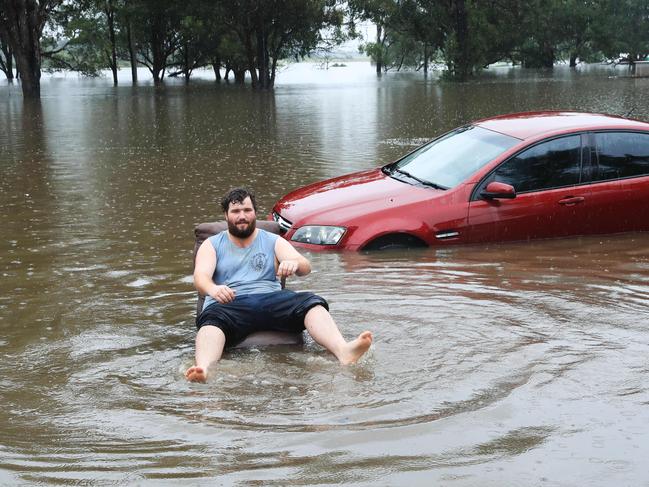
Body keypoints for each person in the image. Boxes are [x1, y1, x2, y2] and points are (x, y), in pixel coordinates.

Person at [185, 188, 373, 382]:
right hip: (229, 303)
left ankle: (343, 351)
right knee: (211, 322)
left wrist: (294, 263)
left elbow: (305, 267)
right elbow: (201, 278)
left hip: (271, 300)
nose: (242, 216)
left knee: (311, 302)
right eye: (235, 211)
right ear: (226, 215)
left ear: (254, 212)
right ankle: (204, 369)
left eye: (247, 210)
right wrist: (213, 289)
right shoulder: (212, 244)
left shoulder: (272, 240)